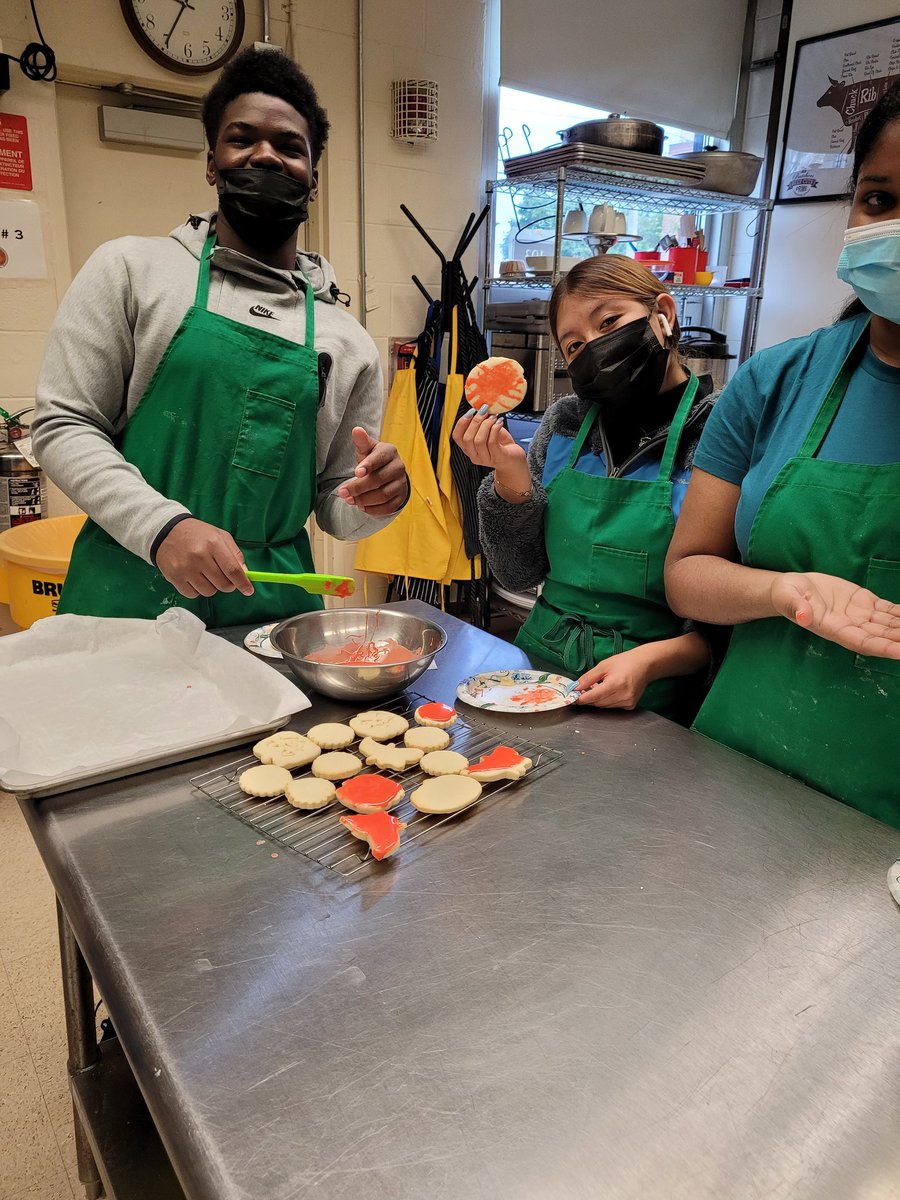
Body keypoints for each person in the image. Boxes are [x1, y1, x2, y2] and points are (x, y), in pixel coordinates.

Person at [32, 47, 407, 624]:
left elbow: (338, 507)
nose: (266, 155)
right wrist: (163, 529)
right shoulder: (132, 270)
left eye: (289, 146)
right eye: (242, 139)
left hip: (270, 611)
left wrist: (378, 500)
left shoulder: (345, 339)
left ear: (313, 178)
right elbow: (63, 424)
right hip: (128, 596)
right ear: (212, 162)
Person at [665, 84, 900, 826]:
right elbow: (687, 575)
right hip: (740, 772)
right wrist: (783, 592)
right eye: (878, 198)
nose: (893, 225)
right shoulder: (776, 380)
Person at [453, 256, 719, 722]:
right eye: (574, 345)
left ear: (664, 314)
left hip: (656, 693)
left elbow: (725, 624)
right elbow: (518, 573)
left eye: (610, 322)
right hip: (542, 670)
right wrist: (510, 481)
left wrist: (649, 662)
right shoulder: (564, 423)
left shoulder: (719, 432)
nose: (595, 348)